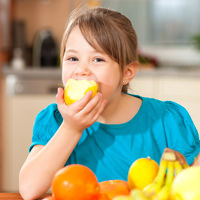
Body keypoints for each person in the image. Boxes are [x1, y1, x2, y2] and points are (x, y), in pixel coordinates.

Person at [19, 7, 200, 200]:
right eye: (72, 58)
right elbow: (29, 190)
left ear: (127, 73)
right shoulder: (55, 121)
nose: (81, 70)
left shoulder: (167, 120)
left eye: (97, 59)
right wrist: (71, 128)